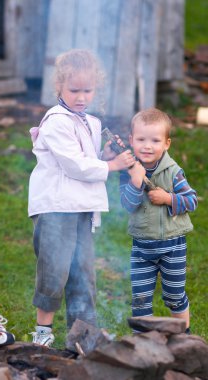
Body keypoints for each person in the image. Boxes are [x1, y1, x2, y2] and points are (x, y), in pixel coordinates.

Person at [28, 49, 134, 346]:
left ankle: (83, 337)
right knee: (54, 270)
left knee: (82, 273)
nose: (81, 97)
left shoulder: (92, 122)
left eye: (88, 90)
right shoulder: (56, 121)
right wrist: (110, 166)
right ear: (59, 87)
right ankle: (42, 334)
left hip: (82, 208)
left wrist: (105, 155)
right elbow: (73, 164)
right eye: (74, 90)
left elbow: (88, 160)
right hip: (56, 208)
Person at [119, 108, 197, 334]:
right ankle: (144, 343)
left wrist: (168, 198)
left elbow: (192, 201)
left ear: (167, 143)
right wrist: (135, 182)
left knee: (174, 296)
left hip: (172, 246)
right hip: (142, 248)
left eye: (155, 140)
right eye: (141, 139)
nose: (147, 145)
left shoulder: (173, 172)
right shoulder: (129, 171)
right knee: (140, 299)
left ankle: (185, 337)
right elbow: (127, 205)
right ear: (131, 141)